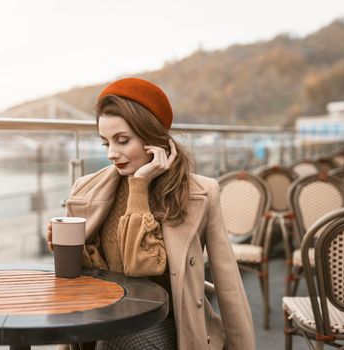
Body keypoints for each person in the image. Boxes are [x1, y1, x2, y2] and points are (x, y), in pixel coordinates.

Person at [47, 78, 254, 350]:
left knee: (120, 339)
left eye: (122, 141)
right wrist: (60, 246)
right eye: (105, 143)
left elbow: (228, 287)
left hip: (170, 323)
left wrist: (139, 185)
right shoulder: (86, 188)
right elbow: (78, 278)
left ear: (152, 137)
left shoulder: (200, 193)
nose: (111, 153)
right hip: (99, 318)